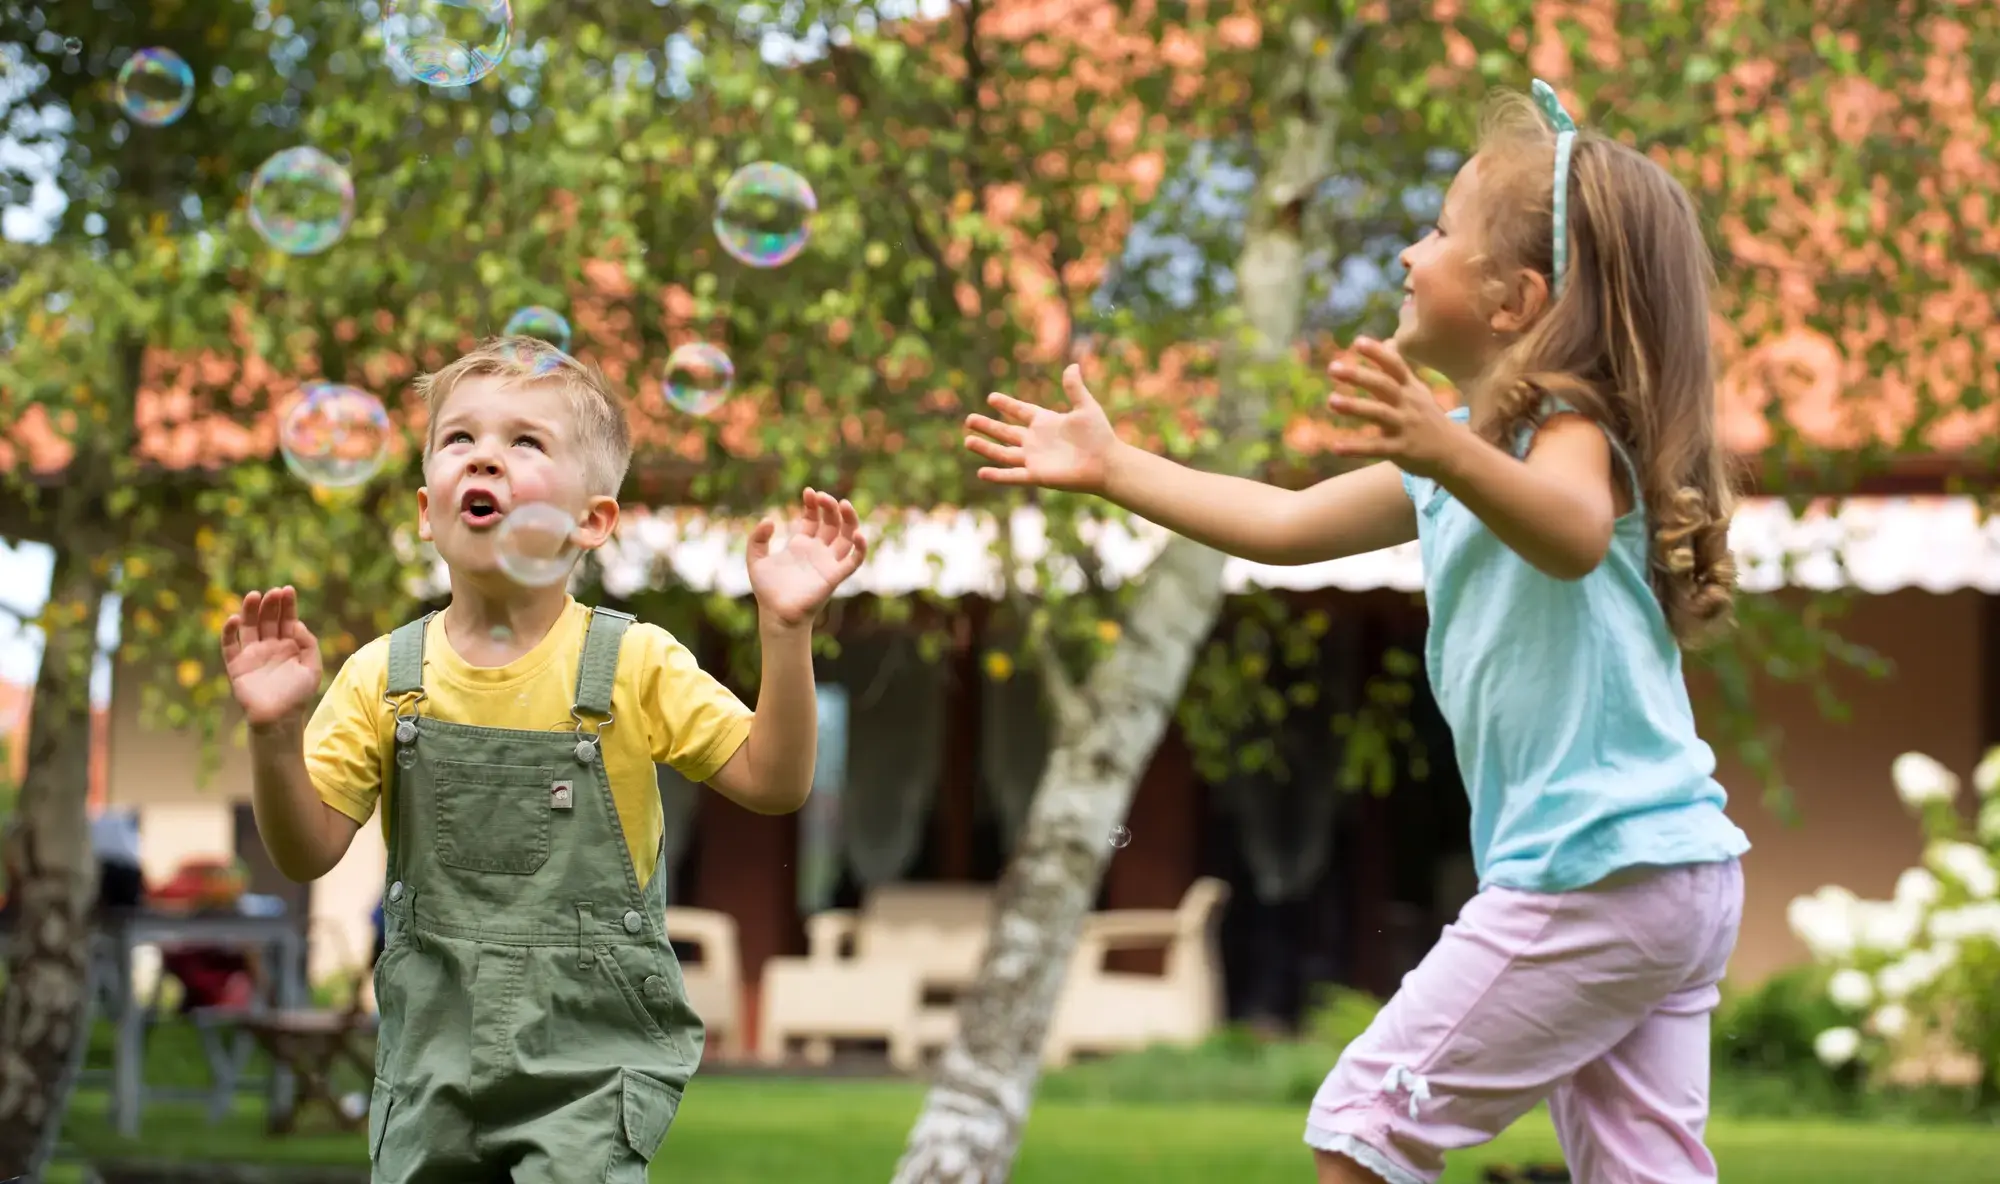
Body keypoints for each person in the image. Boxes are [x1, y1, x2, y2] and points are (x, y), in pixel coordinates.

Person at [964, 80, 1747, 1184]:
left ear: (1513, 297)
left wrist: (1446, 451)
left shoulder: (1567, 431)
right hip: (1659, 874)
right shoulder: (1461, 461)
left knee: (1361, 1124)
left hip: (1598, 865)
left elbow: (1571, 534)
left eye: (1434, 228)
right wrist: (1113, 467)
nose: (1406, 251)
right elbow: (1281, 525)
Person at [220, 336, 865, 1181]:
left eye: (525, 442)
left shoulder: (634, 663)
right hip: (429, 1066)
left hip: (589, 1068)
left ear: (593, 521)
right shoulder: (383, 675)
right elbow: (307, 851)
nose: (485, 456)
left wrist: (785, 633)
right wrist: (274, 732)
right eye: (461, 439)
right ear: (427, 508)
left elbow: (777, 785)